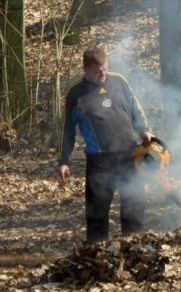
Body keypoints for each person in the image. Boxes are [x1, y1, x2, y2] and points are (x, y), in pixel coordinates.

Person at [57, 46, 153, 242]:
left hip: (129, 156)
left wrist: (144, 130)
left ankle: (134, 251)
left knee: (134, 208)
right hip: (100, 162)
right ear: (85, 69)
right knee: (97, 215)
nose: (103, 73)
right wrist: (63, 160)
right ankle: (96, 257)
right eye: (97, 70)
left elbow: (135, 110)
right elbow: (66, 129)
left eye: (105, 67)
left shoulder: (119, 81)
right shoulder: (76, 94)